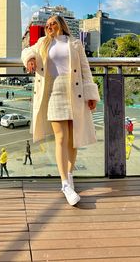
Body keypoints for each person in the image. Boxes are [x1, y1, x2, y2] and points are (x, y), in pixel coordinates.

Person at [21, 15, 100, 206]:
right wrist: (31, 58)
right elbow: (26, 51)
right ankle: (64, 183)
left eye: (53, 23)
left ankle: (70, 176)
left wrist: (91, 94)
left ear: (61, 25)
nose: (49, 27)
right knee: (61, 138)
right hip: (54, 93)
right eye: (47, 25)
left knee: (73, 140)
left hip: (75, 92)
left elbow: (85, 70)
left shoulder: (75, 44)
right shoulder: (42, 42)